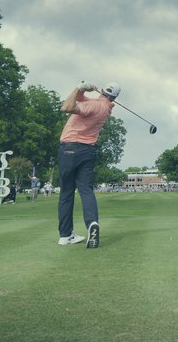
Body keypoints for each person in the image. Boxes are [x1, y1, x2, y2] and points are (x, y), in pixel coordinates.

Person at [56, 82, 118, 249]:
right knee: (86, 190)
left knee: (66, 193)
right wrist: (82, 91)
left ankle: (65, 235)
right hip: (88, 151)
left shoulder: (94, 106)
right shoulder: (104, 107)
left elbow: (66, 107)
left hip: (69, 149)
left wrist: (77, 87)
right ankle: (92, 223)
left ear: (103, 91)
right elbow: (81, 100)